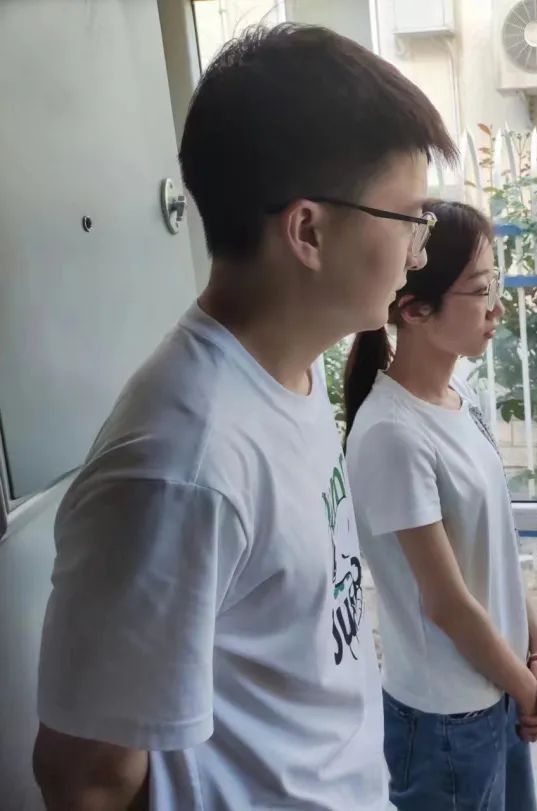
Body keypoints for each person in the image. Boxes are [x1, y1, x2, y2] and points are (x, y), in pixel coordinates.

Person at [33, 24, 456, 811]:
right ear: (308, 231)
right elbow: (84, 777)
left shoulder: (291, 372)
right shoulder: (180, 466)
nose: (419, 252)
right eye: (410, 219)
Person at [343, 200, 537, 811]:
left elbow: (495, 555)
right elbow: (446, 602)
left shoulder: (461, 396)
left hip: (498, 687)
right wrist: (527, 689)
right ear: (415, 310)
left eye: (496, 283)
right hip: (447, 720)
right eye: (481, 289)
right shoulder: (392, 433)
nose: (498, 307)